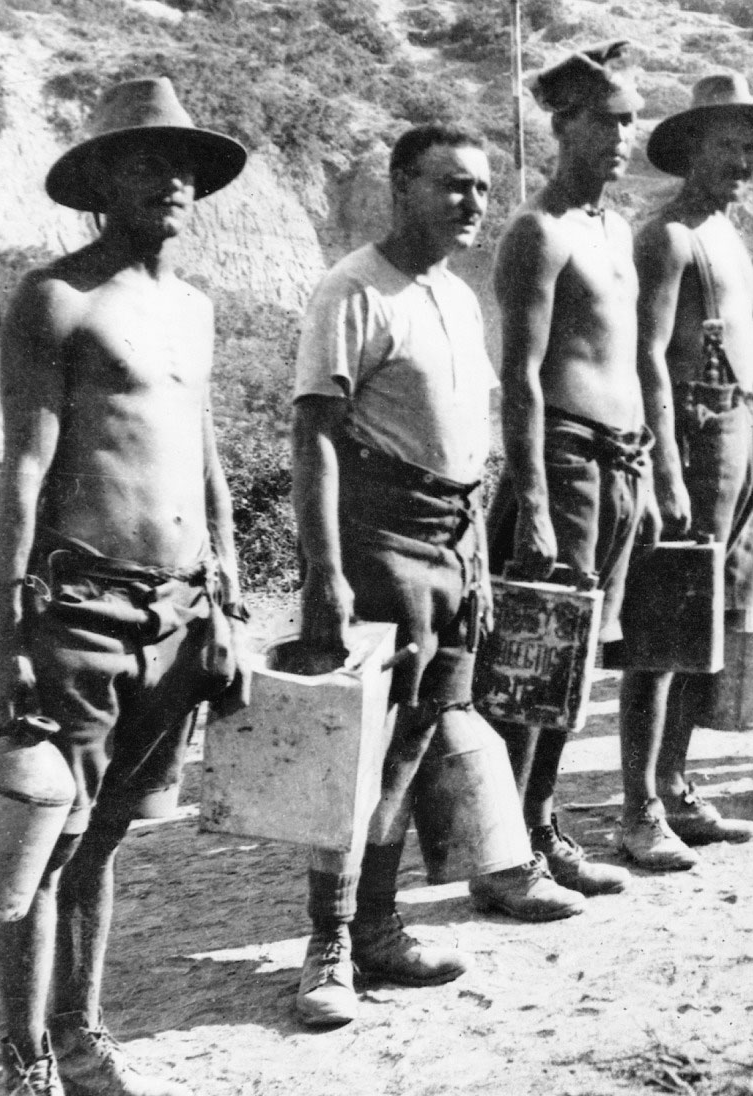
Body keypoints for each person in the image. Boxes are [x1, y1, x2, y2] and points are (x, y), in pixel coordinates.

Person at [0, 77, 247, 1096]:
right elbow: (23, 469)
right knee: (43, 840)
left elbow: (205, 452)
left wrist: (224, 584)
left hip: (176, 610)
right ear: (99, 182)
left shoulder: (192, 307)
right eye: (146, 160)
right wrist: (4, 637)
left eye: (184, 161)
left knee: (109, 838)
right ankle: (23, 1073)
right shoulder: (55, 299)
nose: (173, 177)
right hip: (80, 606)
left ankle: (84, 1043)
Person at [290, 124, 564, 1028]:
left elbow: (468, 442)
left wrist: (476, 552)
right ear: (400, 187)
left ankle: (376, 924)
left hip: (454, 537)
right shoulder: (352, 289)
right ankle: (327, 944)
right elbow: (317, 437)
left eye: (483, 189)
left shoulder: (455, 295)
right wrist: (324, 573)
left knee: (414, 740)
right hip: (379, 536)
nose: (473, 204)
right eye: (452, 185)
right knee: (356, 748)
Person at [619, 72, 753, 863]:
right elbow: (647, 357)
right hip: (691, 444)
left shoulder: (729, 232)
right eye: (725, 143)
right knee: (663, 626)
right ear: (690, 147)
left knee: (713, 627)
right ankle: (638, 808)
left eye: (749, 148)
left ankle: (676, 781)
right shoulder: (667, 238)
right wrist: (662, 470)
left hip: (742, 436)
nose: (740, 159)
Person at [481, 42, 649, 892]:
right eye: (609, 120)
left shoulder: (615, 228)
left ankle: (541, 826)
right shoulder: (536, 233)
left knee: (579, 662)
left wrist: (646, 468)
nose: (624, 136)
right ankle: (504, 853)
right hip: (565, 457)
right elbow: (520, 378)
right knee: (537, 661)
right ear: (565, 124)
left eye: (630, 119)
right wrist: (537, 506)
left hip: (621, 461)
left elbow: (627, 356)